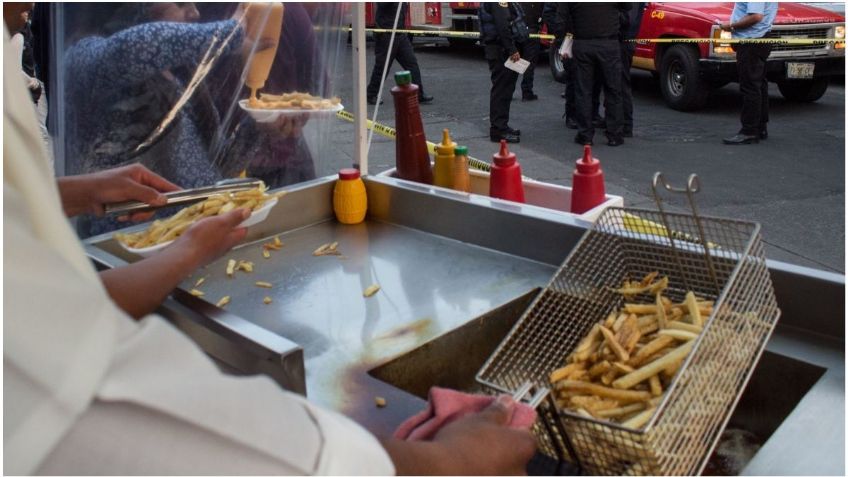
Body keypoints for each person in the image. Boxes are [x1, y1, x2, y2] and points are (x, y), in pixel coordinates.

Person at [4, 28, 536, 475]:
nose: (190, 11)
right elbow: (156, 422)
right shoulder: (103, 50)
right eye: (178, 3)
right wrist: (440, 463)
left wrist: (69, 190)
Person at [560, 3, 631, 147]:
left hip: (583, 43)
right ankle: (614, 134)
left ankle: (585, 135)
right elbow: (627, 7)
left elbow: (560, 18)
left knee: (583, 91)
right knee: (613, 90)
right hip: (608, 44)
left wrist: (564, 38)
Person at [720, 2, 777, 145]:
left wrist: (731, 26)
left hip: (752, 41)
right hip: (761, 38)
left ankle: (749, 131)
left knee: (750, 86)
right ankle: (760, 127)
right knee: (759, 84)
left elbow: (756, 16)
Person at [479, 1, 529, 144]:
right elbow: (502, 24)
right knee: (502, 90)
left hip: (500, 48)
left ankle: (502, 126)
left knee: (506, 89)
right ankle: (498, 130)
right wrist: (511, 49)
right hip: (500, 50)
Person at [366, 2, 433, 106]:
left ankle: (419, 94)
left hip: (400, 34)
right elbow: (382, 4)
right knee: (382, 67)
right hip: (386, 35)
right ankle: (371, 94)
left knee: (412, 64)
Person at [619, 3, 645, 138]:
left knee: (621, 83)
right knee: (615, 83)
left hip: (623, 41)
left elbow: (628, 19)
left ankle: (625, 125)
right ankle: (617, 120)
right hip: (623, 40)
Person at [518, 2, 542, 101]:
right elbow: (542, 13)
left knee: (515, 61)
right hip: (532, 31)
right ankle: (527, 92)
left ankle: (508, 91)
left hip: (518, 31)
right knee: (529, 63)